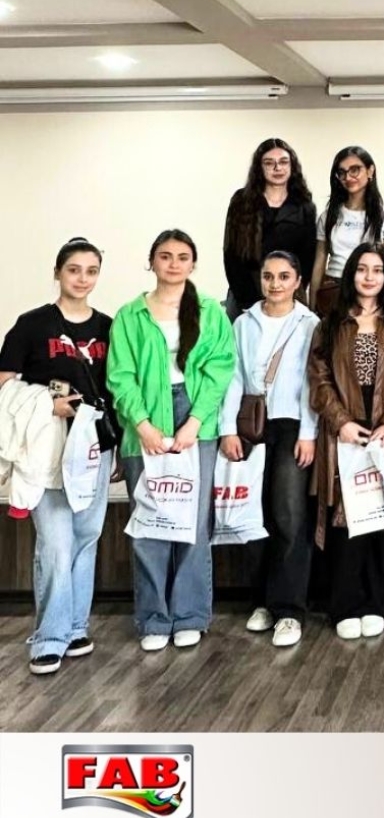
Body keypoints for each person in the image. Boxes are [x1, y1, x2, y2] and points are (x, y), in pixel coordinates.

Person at [107, 230, 236, 652]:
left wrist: (194, 422)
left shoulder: (210, 312)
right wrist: (143, 425)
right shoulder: (130, 315)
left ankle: (190, 615)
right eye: (165, 256)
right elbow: (120, 376)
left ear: (193, 264)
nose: (174, 263)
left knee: (192, 524)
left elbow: (221, 370)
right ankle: (153, 619)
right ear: (152, 262)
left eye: (183, 256)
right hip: (144, 420)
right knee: (149, 523)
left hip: (196, 421)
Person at [0, 237, 114, 675]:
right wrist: (48, 404)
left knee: (85, 537)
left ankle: (75, 628)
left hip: (94, 449)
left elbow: (117, 389)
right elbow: (5, 384)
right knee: (55, 543)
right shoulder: (32, 325)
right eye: (74, 269)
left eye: (91, 271)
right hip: (47, 447)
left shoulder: (108, 327)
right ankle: (49, 637)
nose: (82, 278)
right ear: (58, 272)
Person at [308, 242, 384, 640]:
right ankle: (345, 604)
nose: (370, 277)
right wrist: (342, 423)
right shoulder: (330, 324)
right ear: (351, 274)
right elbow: (319, 379)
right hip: (345, 433)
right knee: (347, 518)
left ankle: (376, 602)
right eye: (362, 269)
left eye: (378, 270)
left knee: (382, 518)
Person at [219, 251, 320, 649]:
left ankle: (290, 609)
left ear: (298, 281)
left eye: (284, 276)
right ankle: (261, 601)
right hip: (249, 426)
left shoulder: (309, 324)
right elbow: (232, 377)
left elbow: (312, 383)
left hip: (291, 425)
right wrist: (228, 429)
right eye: (268, 276)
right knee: (254, 514)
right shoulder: (243, 323)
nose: (275, 284)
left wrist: (309, 432)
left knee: (289, 515)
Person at [222, 138, 316, 319]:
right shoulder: (241, 200)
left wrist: (290, 292)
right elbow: (231, 254)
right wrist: (247, 301)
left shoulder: (304, 206)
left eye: (283, 162)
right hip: (244, 293)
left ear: (292, 166)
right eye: (269, 163)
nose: (277, 168)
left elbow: (307, 258)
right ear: (260, 168)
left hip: (287, 294)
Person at [311, 147, 384, 317]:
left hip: (370, 291)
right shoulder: (328, 216)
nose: (348, 177)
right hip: (334, 289)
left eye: (355, 170)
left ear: (370, 171)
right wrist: (312, 308)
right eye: (342, 172)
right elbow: (319, 265)